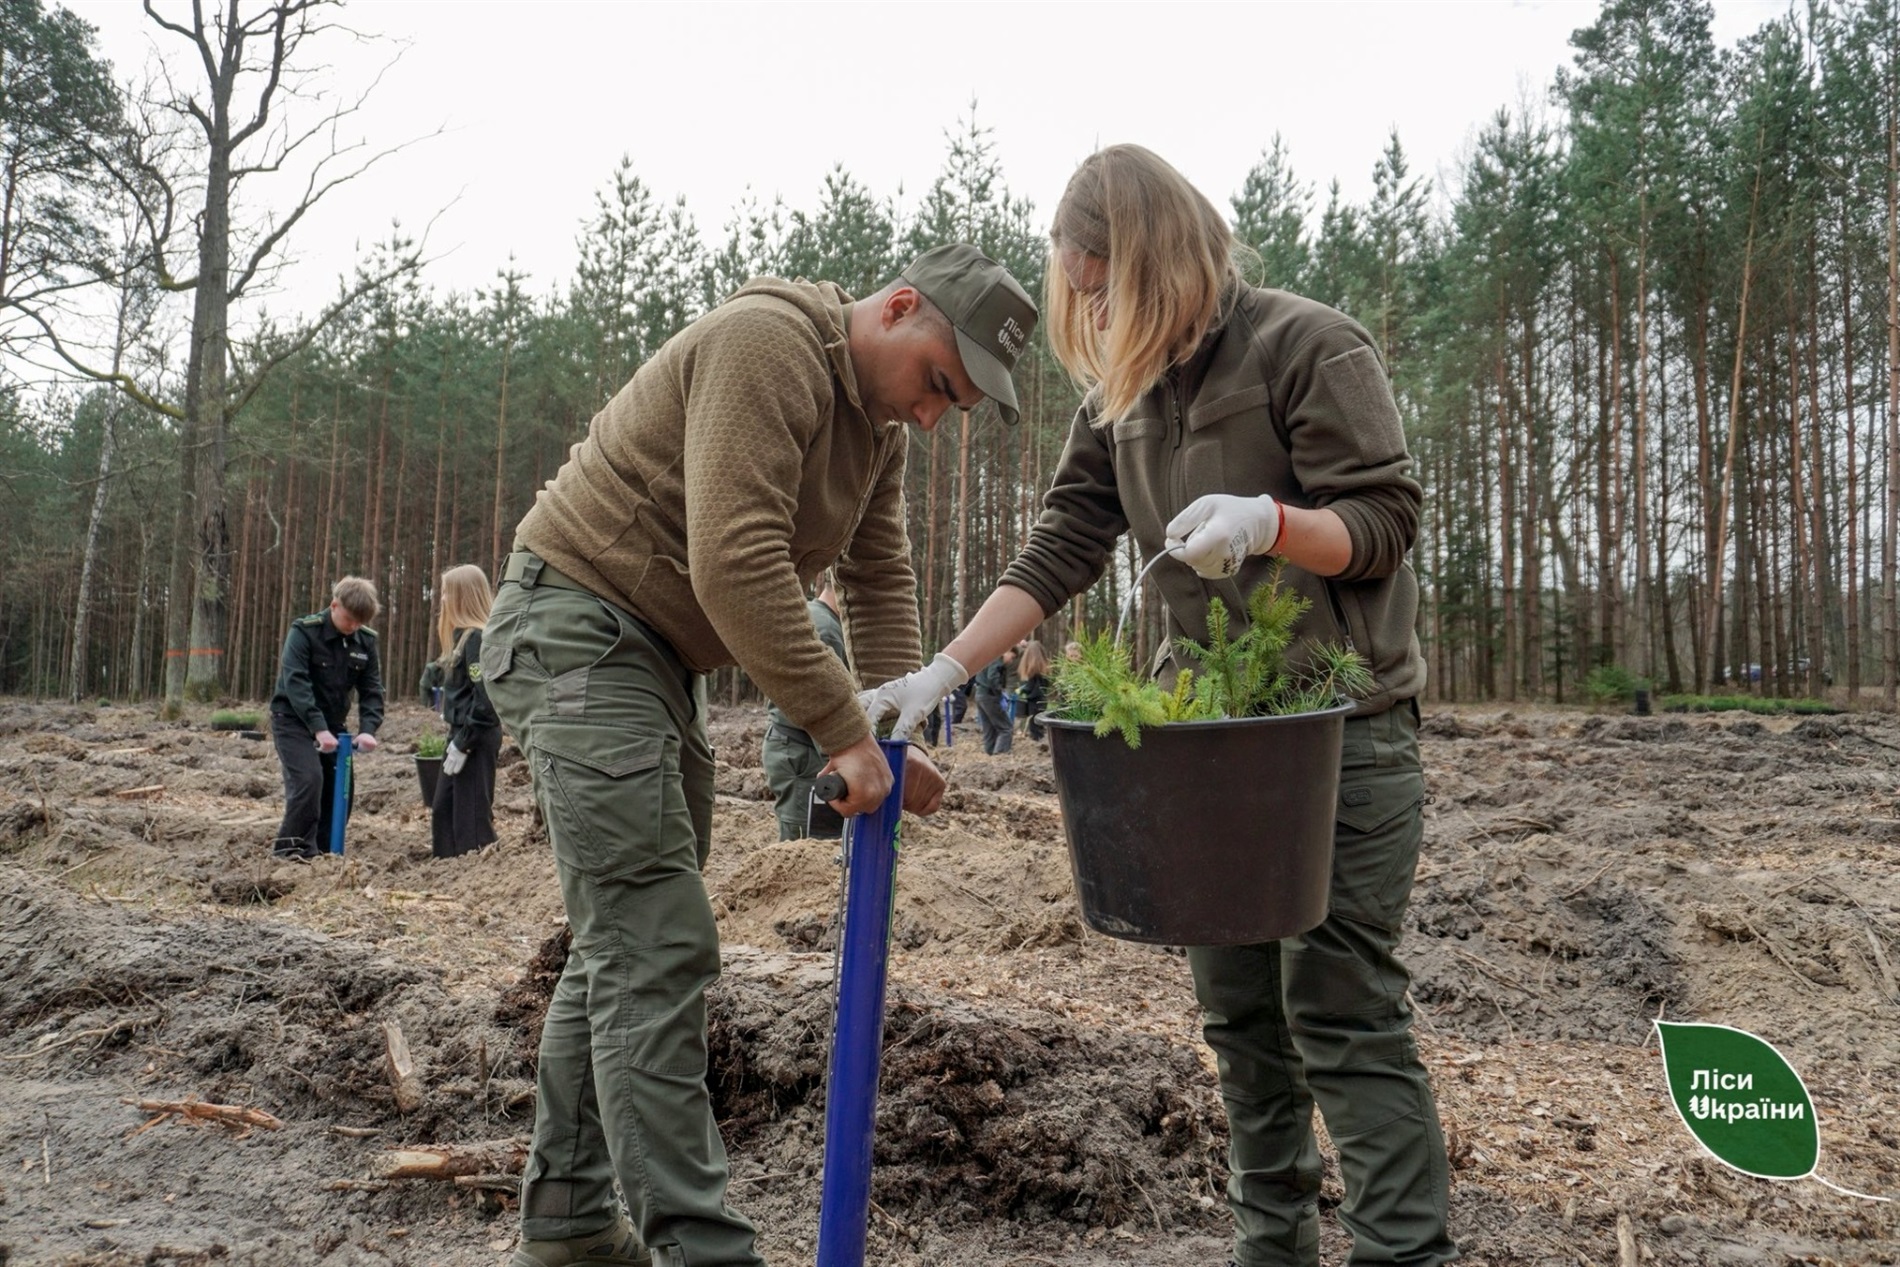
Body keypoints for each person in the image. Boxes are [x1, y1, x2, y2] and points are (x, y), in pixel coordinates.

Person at [860, 146, 1456, 1267]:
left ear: (1150, 260)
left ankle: (1400, 1252)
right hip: (1205, 755)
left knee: (1340, 1014)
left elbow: (1382, 524)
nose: (1087, 307)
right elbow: (1062, 546)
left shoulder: (1306, 344)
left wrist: (1272, 523)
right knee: (1241, 1025)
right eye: (1075, 289)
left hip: (1337, 737)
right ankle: (1268, 1247)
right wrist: (943, 672)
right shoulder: (1121, 396)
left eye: (1098, 286)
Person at [480, 242, 1037, 1267]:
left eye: (951, 407)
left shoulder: (874, 432)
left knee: (626, 929)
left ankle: (564, 1222)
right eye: (937, 383)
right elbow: (734, 562)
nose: (929, 415)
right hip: (574, 631)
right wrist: (839, 730)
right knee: (653, 941)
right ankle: (702, 1249)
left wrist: (893, 719)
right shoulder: (767, 343)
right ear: (899, 308)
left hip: (648, 657)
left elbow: (877, 579)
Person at [267, 576, 384, 859]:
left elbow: (372, 689)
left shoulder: (365, 642)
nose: (354, 627)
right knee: (309, 780)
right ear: (334, 605)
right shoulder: (305, 632)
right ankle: (291, 851)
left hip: (334, 724)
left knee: (341, 790)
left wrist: (368, 728)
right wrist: (318, 729)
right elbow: (296, 683)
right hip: (293, 719)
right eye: (349, 619)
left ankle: (324, 852)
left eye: (360, 622)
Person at [760, 575, 848, 840]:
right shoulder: (825, 630)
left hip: (802, 749)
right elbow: (823, 707)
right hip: (803, 753)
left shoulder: (820, 618)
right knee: (803, 846)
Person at [431, 564, 501, 859]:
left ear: (463, 596)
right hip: (460, 734)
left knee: (470, 820)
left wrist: (463, 743)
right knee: (444, 811)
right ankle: (446, 871)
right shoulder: (463, 639)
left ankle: (477, 875)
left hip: (474, 736)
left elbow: (487, 701)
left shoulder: (478, 639)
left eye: (448, 592)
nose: (443, 599)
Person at [971, 644, 1017, 755]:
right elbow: (992, 677)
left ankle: (990, 751)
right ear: (1008, 651)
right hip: (990, 696)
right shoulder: (996, 659)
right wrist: (1000, 692)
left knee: (989, 728)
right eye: (1012, 657)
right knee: (1006, 728)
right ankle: (1000, 755)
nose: (1011, 661)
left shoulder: (989, 657)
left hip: (980, 695)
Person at [1015, 639, 1050, 741]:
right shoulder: (1043, 669)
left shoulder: (1034, 672)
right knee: (1036, 725)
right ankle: (1039, 740)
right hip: (1041, 700)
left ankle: (1039, 742)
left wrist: (1022, 691)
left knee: (1034, 726)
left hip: (1035, 702)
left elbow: (1032, 688)